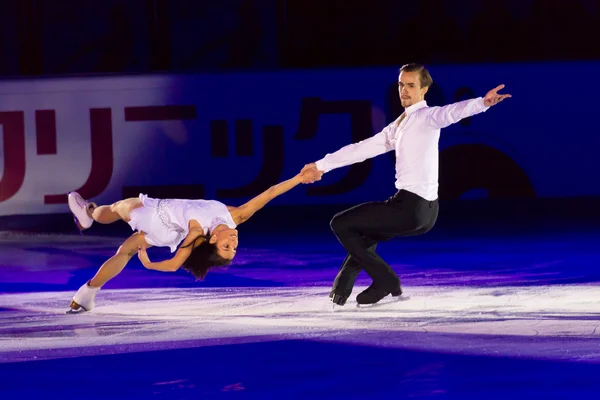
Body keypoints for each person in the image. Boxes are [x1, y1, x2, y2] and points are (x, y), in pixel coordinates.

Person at [301, 63, 511, 306]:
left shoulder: (426, 116)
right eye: (401, 84)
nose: (404, 90)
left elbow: (451, 112)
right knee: (366, 234)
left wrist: (482, 104)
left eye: (411, 85)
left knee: (341, 223)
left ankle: (386, 281)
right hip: (422, 211)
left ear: (424, 90)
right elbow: (362, 149)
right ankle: (342, 289)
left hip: (411, 208)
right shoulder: (399, 125)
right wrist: (321, 165)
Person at [66, 169, 321, 312]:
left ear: (212, 240)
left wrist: (149, 264)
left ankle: (88, 214)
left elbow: (176, 264)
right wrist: (299, 178)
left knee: (122, 206)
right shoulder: (236, 216)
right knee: (126, 249)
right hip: (170, 231)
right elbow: (271, 192)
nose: (233, 242)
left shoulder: (198, 231)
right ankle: (86, 293)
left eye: (226, 247)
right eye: (234, 247)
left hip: (156, 217)